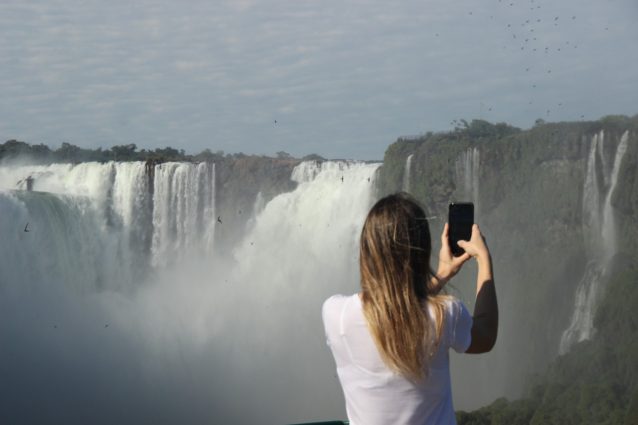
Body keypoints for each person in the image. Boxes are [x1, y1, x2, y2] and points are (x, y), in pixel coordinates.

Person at [322, 193, 497, 425]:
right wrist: (483, 259)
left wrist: (443, 273)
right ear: (421, 252)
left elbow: (395, 310)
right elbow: (485, 335)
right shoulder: (445, 314)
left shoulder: (336, 314)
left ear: (366, 250)